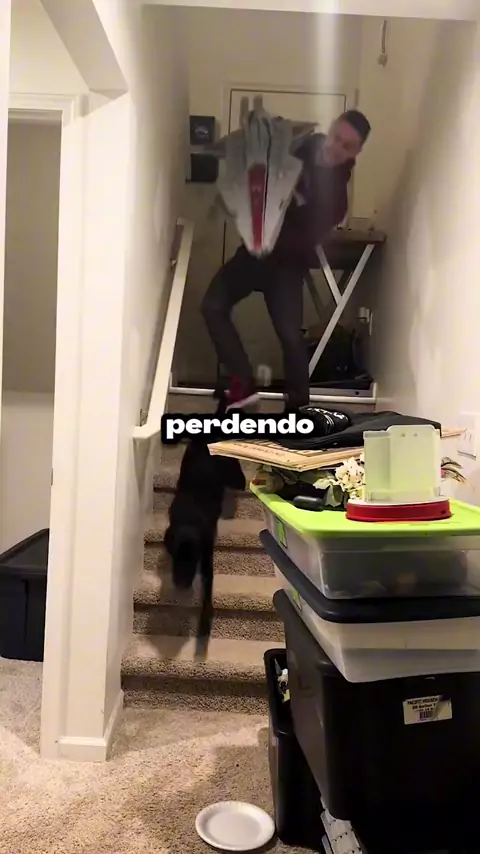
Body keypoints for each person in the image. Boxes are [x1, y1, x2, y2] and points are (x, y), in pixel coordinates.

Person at [201, 109, 371, 411]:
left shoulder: (337, 199)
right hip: (253, 254)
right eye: (336, 137)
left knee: (291, 339)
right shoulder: (297, 144)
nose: (337, 148)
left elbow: (306, 238)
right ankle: (243, 386)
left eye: (347, 146)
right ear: (331, 128)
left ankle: (298, 415)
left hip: (286, 267)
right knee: (213, 305)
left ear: (356, 153)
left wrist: (273, 235)